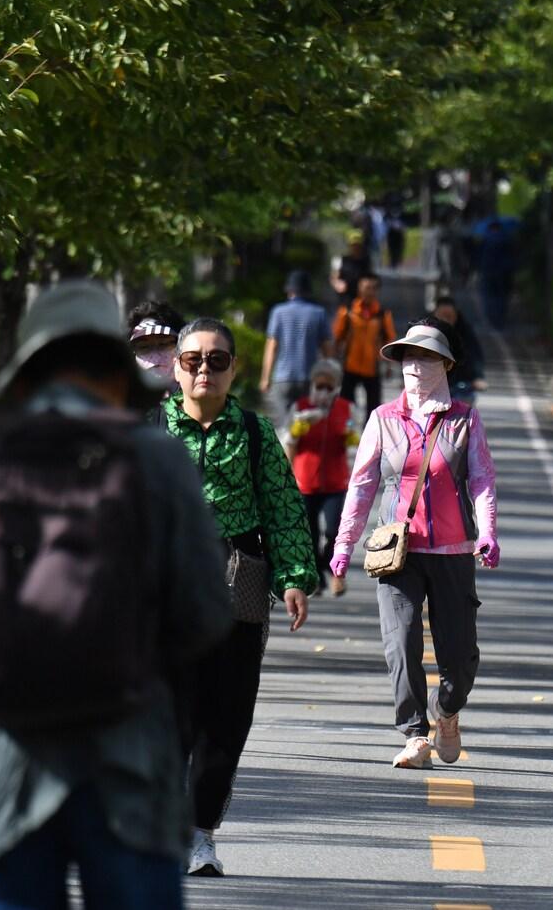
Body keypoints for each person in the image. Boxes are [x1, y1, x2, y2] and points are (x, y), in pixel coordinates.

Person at [0, 284, 233, 910]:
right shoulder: (159, 464)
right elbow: (205, 612)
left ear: (27, 375)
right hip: (131, 769)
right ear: (117, 377)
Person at [163, 317, 319, 877]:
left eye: (217, 360)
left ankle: (200, 835)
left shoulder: (254, 435)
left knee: (225, 717)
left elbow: (283, 510)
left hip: (236, 586)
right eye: (193, 360)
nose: (205, 369)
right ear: (177, 367)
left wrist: (296, 575)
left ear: (235, 368)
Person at [329, 317, 500, 770]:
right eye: (408, 357)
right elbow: (362, 485)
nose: (414, 367)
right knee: (400, 642)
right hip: (396, 552)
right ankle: (414, 734)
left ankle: (447, 712)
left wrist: (487, 532)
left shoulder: (465, 420)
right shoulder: (383, 420)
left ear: (445, 365)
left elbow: (482, 481)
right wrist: (344, 545)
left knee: (460, 655)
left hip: (453, 551)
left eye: (425, 358)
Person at [288, 358, 359, 597]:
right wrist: (296, 430)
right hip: (305, 480)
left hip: (335, 481)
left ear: (337, 387)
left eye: (329, 387)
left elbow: (356, 439)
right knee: (309, 533)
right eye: (320, 385)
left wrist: (351, 436)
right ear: (312, 385)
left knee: (333, 530)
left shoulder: (345, 408)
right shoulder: (301, 407)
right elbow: (288, 441)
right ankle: (316, 578)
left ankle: (329, 565)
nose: (323, 391)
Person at [260, 270, 332, 425]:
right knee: (307, 423)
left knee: (287, 425)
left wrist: (265, 377)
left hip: (283, 377)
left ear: (289, 291)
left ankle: (288, 448)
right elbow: (327, 349)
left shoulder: (278, 312)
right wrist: (330, 376)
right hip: (309, 377)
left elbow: (272, 347)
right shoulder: (318, 313)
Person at [333, 272, 397, 421]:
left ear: (377, 291)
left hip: (372, 368)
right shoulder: (347, 311)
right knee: (345, 405)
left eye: (373, 288)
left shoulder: (383, 314)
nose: (369, 291)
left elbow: (389, 340)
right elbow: (338, 336)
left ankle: (370, 438)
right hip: (350, 366)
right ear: (359, 289)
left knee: (373, 409)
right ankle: (346, 434)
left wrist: (388, 366)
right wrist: (334, 360)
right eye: (366, 287)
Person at [431, 295, 486, 404]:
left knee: (465, 408)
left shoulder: (465, 331)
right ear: (435, 315)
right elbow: (412, 356)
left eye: (449, 316)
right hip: (433, 384)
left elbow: (476, 356)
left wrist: (478, 377)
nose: (446, 320)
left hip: (460, 384)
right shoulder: (425, 331)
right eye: (443, 316)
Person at [475, 219, 515, 331]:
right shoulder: (506, 239)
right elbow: (512, 256)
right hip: (504, 272)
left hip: (487, 271)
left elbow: (478, 256)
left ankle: (491, 318)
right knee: (502, 296)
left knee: (488, 296)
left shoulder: (485, 239)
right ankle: (500, 318)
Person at [331, 230, 373, 309]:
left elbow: (371, 278)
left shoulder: (366, 261)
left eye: (358, 245)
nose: (356, 247)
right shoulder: (340, 260)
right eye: (353, 245)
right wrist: (337, 283)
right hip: (345, 298)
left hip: (362, 299)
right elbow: (334, 277)